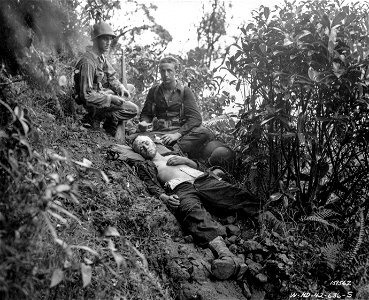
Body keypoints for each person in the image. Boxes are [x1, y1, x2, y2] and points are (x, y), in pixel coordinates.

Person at [132, 135, 264, 280]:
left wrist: (186, 160)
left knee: (238, 194)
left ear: (153, 142)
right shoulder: (145, 165)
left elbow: (203, 168)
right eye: (140, 148)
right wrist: (166, 198)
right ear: (138, 153)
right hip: (180, 188)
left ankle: (271, 220)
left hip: (203, 180)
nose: (144, 147)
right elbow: (152, 186)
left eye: (145, 143)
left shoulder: (172, 153)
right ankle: (227, 256)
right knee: (190, 211)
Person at [138, 56, 215, 159]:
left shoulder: (185, 91)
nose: (165, 75)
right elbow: (146, 114)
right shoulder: (154, 91)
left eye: (169, 71)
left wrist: (177, 134)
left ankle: (175, 150)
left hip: (179, 134)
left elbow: (195, 118)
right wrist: (144, 122)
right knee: (132, 137)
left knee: (203, 132)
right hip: (159, 132)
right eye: (162, 71)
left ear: (176, 71)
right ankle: (163, 148)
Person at [74, 21, 138, 136]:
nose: (108, 43)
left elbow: (111, 76)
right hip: (89, 104)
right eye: (105, 39)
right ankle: (94, 118)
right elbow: (86, 96)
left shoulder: (101, 57)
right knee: (133, 110)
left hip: (99, 94)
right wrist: (111, 98)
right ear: (95, 40)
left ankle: (107, 123)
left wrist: (120, 87)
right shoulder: (88, 62)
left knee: (129, 88)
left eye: (110, 39)